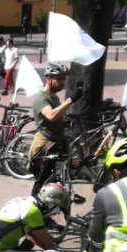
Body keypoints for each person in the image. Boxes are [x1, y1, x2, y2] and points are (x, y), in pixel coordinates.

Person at [28, 62, 80, 196]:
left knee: (60, 178)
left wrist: (63, 123)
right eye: (59, 79)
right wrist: (71, 100)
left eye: (64, 79)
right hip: (46, 144)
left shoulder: (54, 96)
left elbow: (55, 116)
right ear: (49, 78)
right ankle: (34, 208)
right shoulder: (41, 97)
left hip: (58, 141)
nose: (62, 82)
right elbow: (51, 115)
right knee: (42, 182)